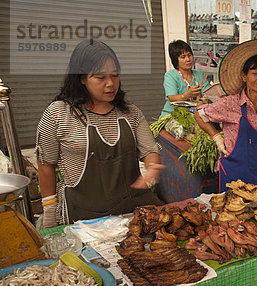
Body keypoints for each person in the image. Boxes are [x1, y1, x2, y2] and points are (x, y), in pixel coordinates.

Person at [36, 39, 164, 228]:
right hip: (82, 215)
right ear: (81, 78)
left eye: (115, 75)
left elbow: (149, 150)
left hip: (131, 210)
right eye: (100, 77)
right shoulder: (58, 114)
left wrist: (152, 167)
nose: (110, 84)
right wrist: (49, 211)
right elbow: (46, 165)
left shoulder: (131, 112)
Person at [193, 39, 257, 192]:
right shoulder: (230, 103)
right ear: (244, 76)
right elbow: (199, 115)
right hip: (235, 174)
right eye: (255, 73)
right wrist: (216, 137)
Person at [160, 40, 210, 118]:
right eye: (183, 57)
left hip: (195, 115)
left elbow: (209, 94)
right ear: (176, 60)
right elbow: (172, 98)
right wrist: (188, 94)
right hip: (172, 115)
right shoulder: (171, 75)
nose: (188, 59)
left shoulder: (199, 75)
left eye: (189, 55)